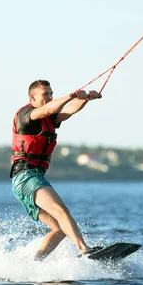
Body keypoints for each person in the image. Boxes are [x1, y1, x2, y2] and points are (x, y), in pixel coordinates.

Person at [10, 79, 103, 260]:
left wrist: (85, 99)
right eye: (46, 94)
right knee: (61, 211)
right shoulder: (26, 114)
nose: (50, 97)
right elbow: (49, 109)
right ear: (33, 97)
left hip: (27, 180)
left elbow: (67, 111)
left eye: (51, 94)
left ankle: (34, 263)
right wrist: (70, 95)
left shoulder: (48, 117)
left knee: (60, 228)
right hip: (26, 176)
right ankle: (84, 249)